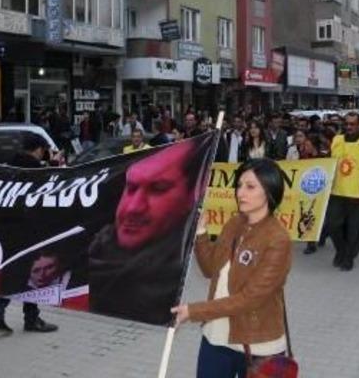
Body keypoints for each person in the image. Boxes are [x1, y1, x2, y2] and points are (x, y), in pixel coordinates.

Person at [171, 159, 291, 378]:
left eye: (250, 186)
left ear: (270, 191)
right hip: (216, 336)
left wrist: (193, 311)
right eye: (239, 185)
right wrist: (201, 233)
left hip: (258, 344)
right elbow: (210, 269)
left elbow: (250, 298)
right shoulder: (234, 224)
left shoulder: (278, 238)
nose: (240, 192)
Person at [89, 139, 207, 325]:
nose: (134, 207)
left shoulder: (171, 278)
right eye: (132, 187)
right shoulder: (92, 254)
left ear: (192, 195)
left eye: (158, 189)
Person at [0, 134, 59, 333]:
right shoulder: (35, 168)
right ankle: (28, 318)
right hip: (29, 228)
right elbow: (50, 190)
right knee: (24, 274)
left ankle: (1, 313)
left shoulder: (9, 165)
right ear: (38, 149)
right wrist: (53, 166)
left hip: (8, 227)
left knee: (14, 271)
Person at [327, 112, 359, 271]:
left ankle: (348, 258)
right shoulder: (336, 140)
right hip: (336, 191)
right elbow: (328, 163)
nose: (349, 127)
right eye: (347, 124)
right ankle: (341, 250)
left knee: (354, 229)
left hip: (357, 193)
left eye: (352, 124)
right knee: (333, 225)